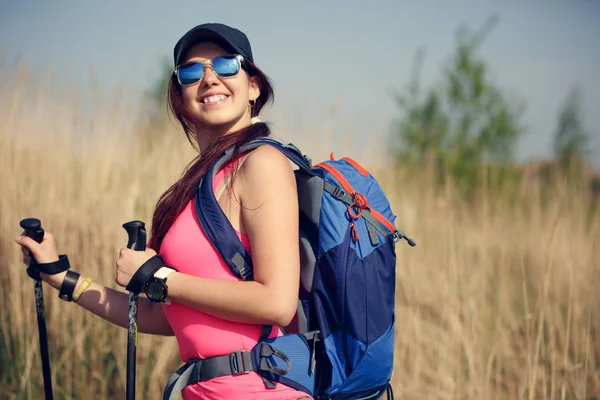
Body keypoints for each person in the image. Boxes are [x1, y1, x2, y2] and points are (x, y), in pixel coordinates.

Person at [15, 22, 312, 400]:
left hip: (259, 391)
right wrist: (62, 277)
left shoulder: (262, 163)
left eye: (226, 65)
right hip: (203, 390)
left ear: (253, 86)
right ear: (179, 94)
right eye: (191, 72)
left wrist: (163, 278)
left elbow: (277, 302)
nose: (209, 79)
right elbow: (161, 315)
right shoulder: (194, 188)